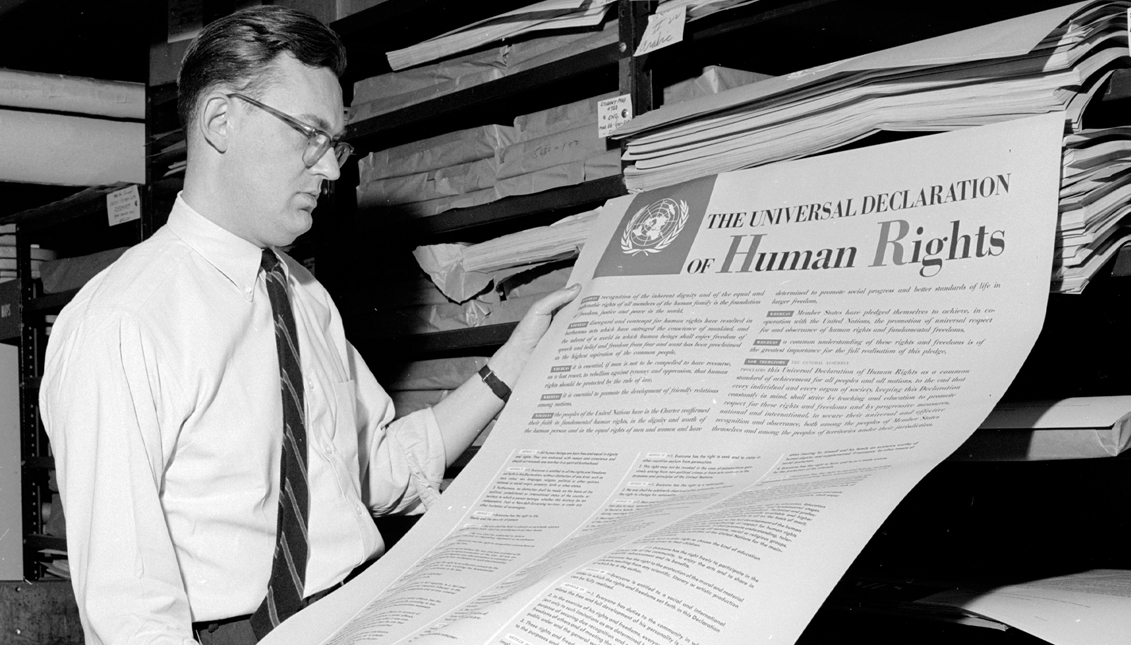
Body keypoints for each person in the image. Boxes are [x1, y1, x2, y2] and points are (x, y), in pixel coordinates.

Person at [39, 6, 579, 645]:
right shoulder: (121, 322)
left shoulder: (305, 297)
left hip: (360, 614)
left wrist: (509, 369)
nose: (330, 169)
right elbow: (129, 607)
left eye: (336, 144)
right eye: (310, 135)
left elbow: (375, 472)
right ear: (220, 121)